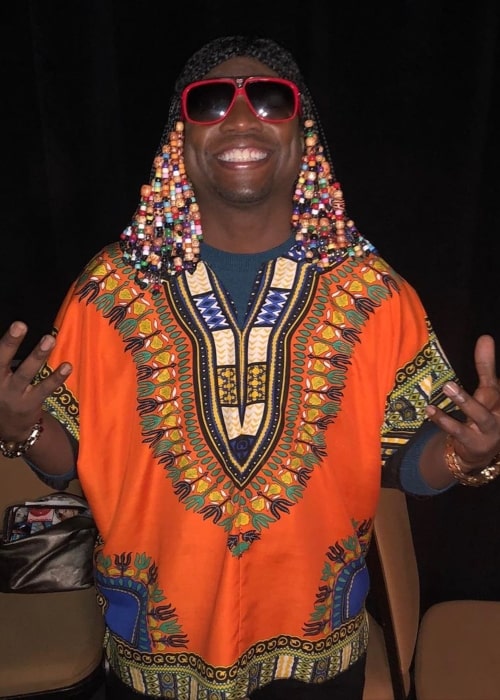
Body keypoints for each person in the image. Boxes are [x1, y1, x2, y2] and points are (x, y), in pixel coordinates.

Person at [0, 35, 499, 700]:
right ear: (180, 139)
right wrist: (21, 427)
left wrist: (475, 453)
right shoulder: (108, 292)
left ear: (304, 137)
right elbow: (72, 462)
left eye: (270, 100)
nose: (240, 119)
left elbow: (409, 462)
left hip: (315, 649)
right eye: (210, 102)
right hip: (154, 649)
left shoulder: (374, 293)